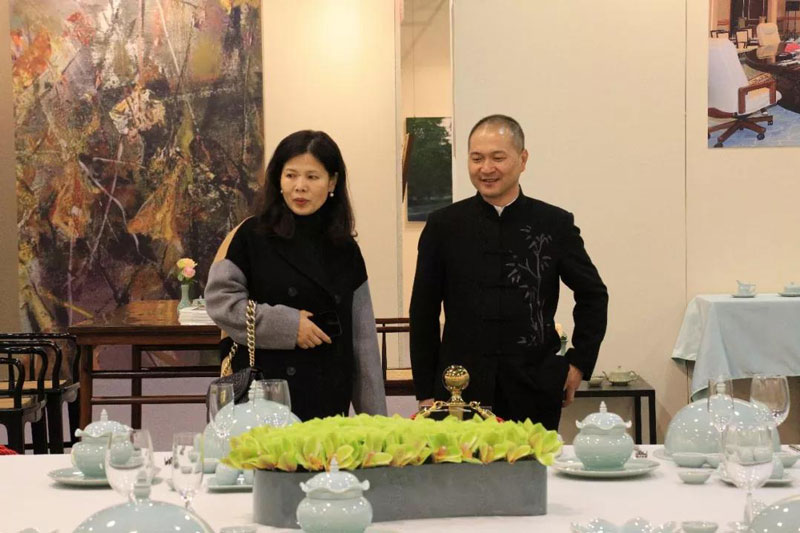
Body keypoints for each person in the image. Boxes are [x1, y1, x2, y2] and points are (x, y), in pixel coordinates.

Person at [409, 115, 608, 430]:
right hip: (460, 389)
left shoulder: (554, 224)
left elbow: (593, 294)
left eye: (497, 158)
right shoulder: (443, 226)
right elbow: (423, 311)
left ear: (522, 159)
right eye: (477, 158)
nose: (486, 168)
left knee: (534, 463)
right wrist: (425, 392)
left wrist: (578, 363)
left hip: (534, 387)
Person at [206, 130, 387, 421]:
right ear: (278, 179)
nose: (300, 187)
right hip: (263, 397)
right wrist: (289, 326)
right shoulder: (250, 236)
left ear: (332, 182)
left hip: (327, 400)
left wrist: (378, 422)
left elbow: (362, 343)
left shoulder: (345, 248)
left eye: (312, 177)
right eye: (291, 175)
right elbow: (220, 303)